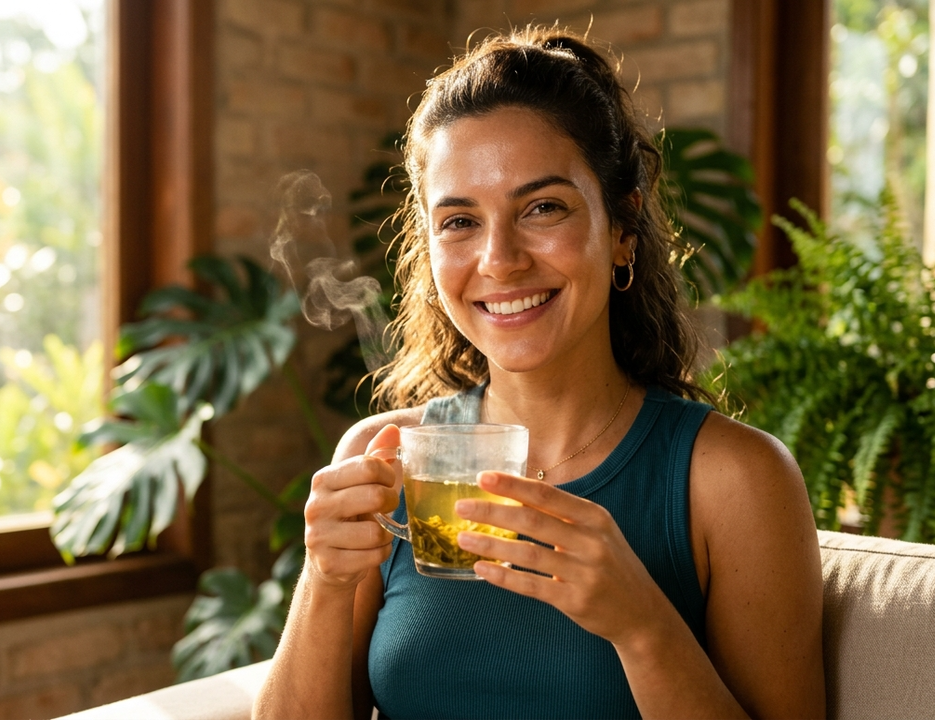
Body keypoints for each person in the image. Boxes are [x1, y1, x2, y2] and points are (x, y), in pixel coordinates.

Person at [254, 26, 824, 720]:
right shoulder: (384, 459)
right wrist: (324, 579)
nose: (499, 259)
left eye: (543, 208)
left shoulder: (735, 482)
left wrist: (642, 627)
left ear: (622, 229)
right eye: (459, 221)